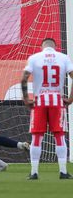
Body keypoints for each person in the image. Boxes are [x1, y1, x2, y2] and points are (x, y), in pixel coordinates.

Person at [21, 38, 73, 180]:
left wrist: (26, 98)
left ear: (42, 46)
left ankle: (34, 172)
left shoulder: (34, 58)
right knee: (59, 135)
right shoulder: (63, 57)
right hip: (57, 99)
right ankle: (63, 171)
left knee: (37, 137)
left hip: (40, 100)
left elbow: (24, 78)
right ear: (55, 46)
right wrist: (70, 99)